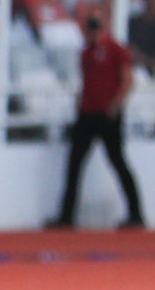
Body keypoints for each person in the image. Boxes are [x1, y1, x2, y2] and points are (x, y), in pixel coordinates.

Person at [51, 14, 146, 230]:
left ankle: (136, 214)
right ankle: (67, 216)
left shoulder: (116, 50)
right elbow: (86, 83)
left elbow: (127, 79)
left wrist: (115, 105)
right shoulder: (86, 53)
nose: (94, 33)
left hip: (107, 115)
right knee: (74, 164)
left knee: (118, 162)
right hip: (88, 114)